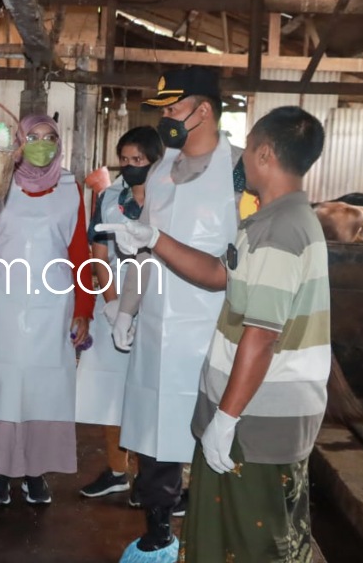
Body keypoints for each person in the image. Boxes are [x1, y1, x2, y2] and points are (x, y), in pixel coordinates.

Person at [97, 105, 330, 563]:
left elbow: (260, 336)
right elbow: (219, 273)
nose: (241, 160)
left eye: (248, 149)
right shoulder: (269, 221)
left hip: (258, 416)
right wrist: (153, 239)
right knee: (231, 532)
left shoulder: (280, 231)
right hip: (254, 411)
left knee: (253, 541)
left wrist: (226, 416)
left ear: (264, 154)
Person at [110, 66, 246, 563]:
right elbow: (143, 247)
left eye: (173, 108)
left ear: (203, 110)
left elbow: (249, 256)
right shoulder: (160, 171)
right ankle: (158, 531)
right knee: (153, 429)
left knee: (214, 430)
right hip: (157, 324)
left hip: (214, 323)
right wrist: (127, 309)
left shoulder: (240, 169)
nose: (166, 117)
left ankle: (216, 535)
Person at [0, 113, 95, 506]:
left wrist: (85, 308)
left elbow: (79, 252)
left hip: (52, 307)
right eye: (33, 137)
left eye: (50, 138)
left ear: (59, 144)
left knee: (45, 387)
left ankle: (35, 471)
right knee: (2, 384)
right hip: (2, 304)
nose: (42, 145)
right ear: (19, 142)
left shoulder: (69, 187)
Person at [77, 126, 163, 505]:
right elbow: (98, 249)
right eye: (124, 160)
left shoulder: (168, 199)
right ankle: (116, 471)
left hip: (155, 302)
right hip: (112, 299)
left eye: (138, 159)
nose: (130, 166)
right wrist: (112, 304)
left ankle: (148, 477)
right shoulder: (110, 196)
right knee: (111, 390)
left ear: (154, 161)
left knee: (147, 391)